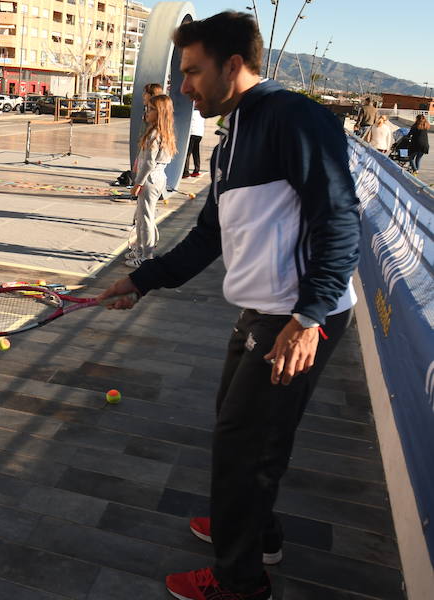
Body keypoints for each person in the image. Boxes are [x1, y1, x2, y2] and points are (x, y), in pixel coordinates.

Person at [97, 11, 360, 600]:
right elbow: (210, 234)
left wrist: (308, 319)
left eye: (193, 71)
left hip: (295, 316)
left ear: (233, 65)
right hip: (263, 310)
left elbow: (341, 219)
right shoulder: (232, 135)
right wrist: (142, 280)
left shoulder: (294, 119)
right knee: (241, 430)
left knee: (243, 447)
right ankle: (255, 531)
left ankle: (240, 582)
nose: (184, 85)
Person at [126, 94, 176, 267]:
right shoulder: (163, 132)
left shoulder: (154, 134)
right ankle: (140, 251)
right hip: (157, 177)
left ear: (161, 112)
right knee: (143, 217)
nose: (147, 111)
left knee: (145, 218)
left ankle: (146, 257)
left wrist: (137, 183)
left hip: (150, 179)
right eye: (148, 107)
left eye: (152, 109)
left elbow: (148, 163)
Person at [182, 106, 205, 177]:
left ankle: (185, 172)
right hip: (199, 133)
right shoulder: (201, 112)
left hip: (192, 133)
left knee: (187, 153)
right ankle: (196, 170)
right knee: (196, 152)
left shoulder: (191, 112)